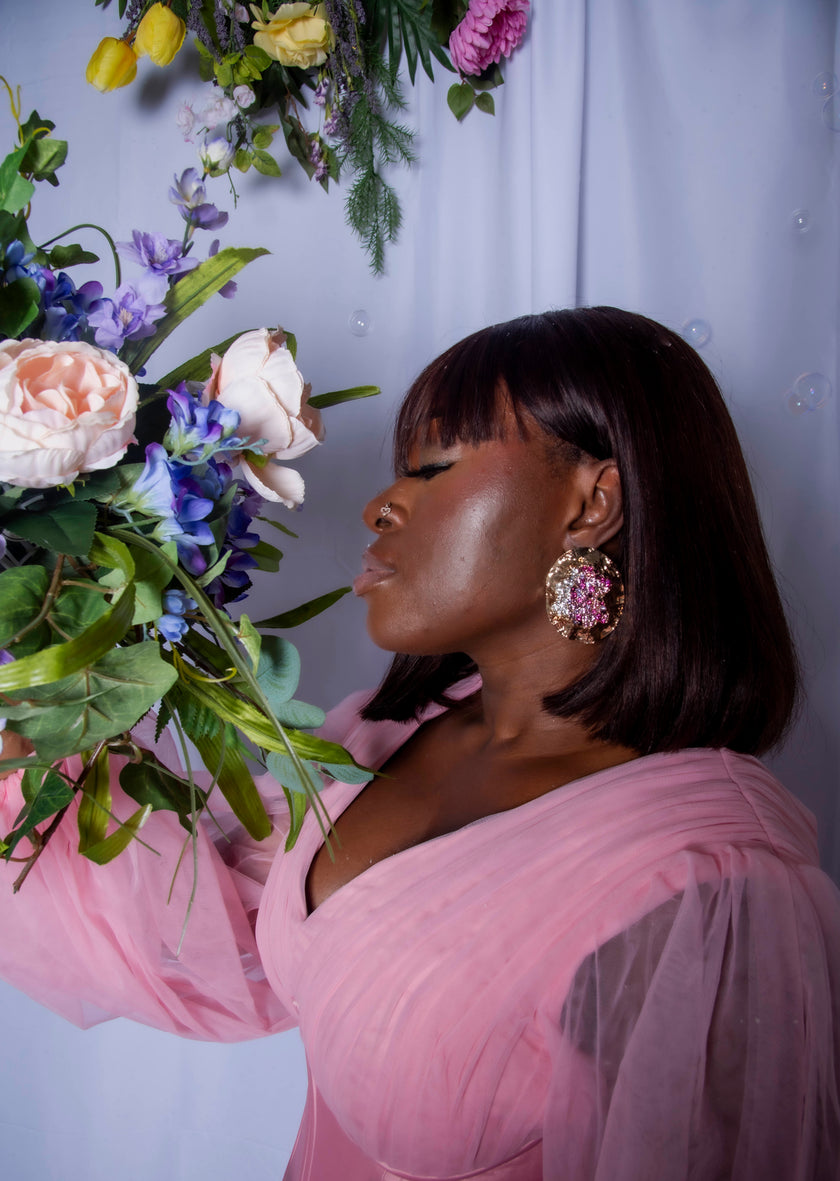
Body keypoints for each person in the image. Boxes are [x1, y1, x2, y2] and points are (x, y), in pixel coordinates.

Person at [1, 306, 839, 1179]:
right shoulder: (392, 733)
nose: (381, 504)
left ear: (592, 504)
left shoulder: (707, 880)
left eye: (433, 467)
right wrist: (45, 655)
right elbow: (207, 928)